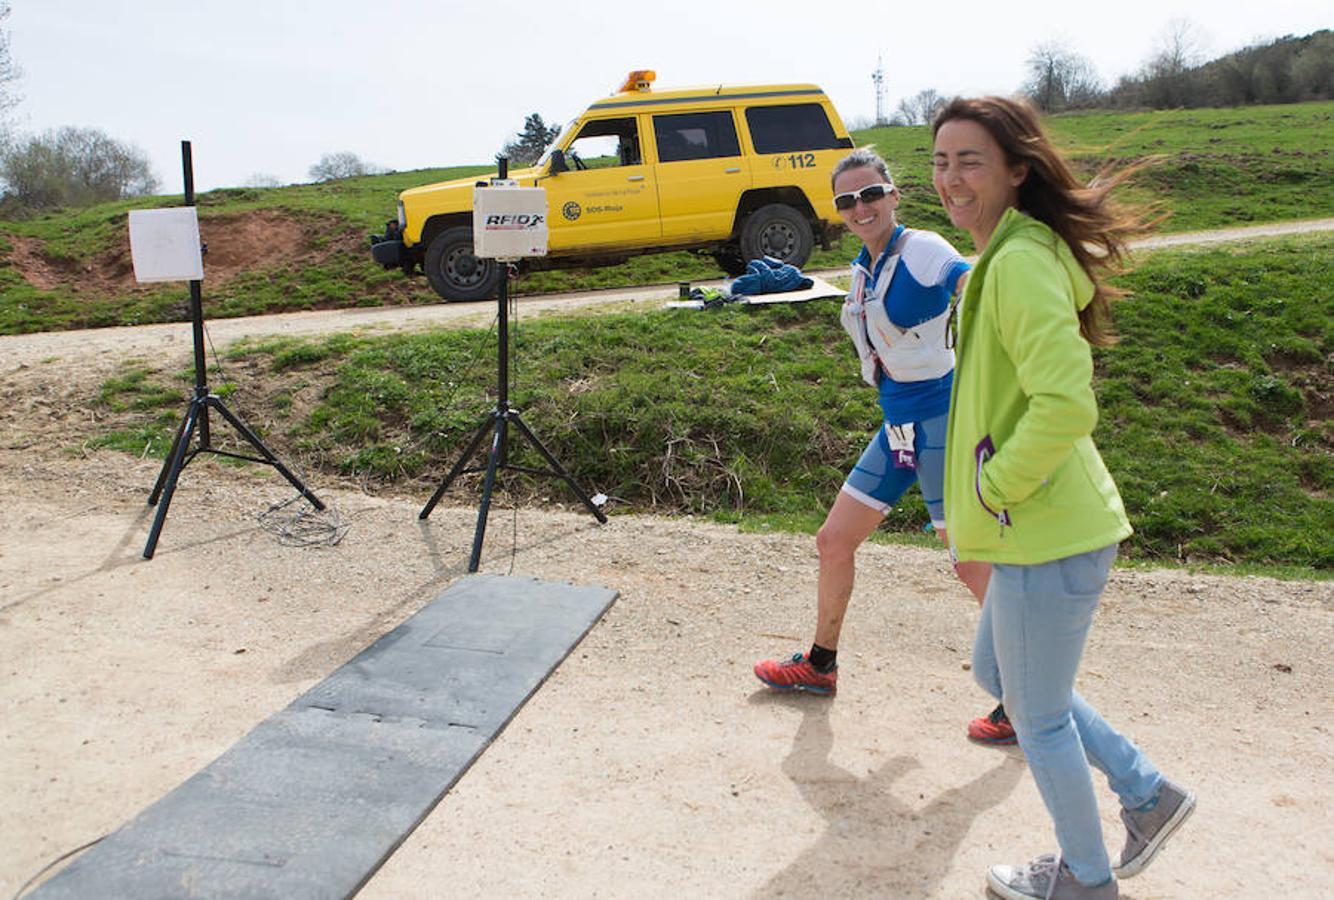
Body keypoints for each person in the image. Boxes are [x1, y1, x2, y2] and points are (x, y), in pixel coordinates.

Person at [932, 96, 1195, 899]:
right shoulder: (1006, 255)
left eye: (970, 160)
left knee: (1037, 717)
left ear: (1018, 170)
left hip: (1045, 529)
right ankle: (1146, 792)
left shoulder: (1016, 262)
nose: (949, 178)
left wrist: (996, 483)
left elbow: (1066, 402)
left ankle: (1086, 880)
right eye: (939, 161)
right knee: (1001, 673)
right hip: (1037, 531)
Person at [753, 147, 1010, 743]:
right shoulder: (864, 267)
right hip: (897, 426)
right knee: (834, 540)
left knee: (969, 561)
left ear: (894, 194)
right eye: (847, 200)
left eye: (870, 194)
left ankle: (1026, 693)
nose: (860, 207)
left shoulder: (921, 249)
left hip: (944, 420)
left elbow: (966, 281)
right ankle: (819, 665)